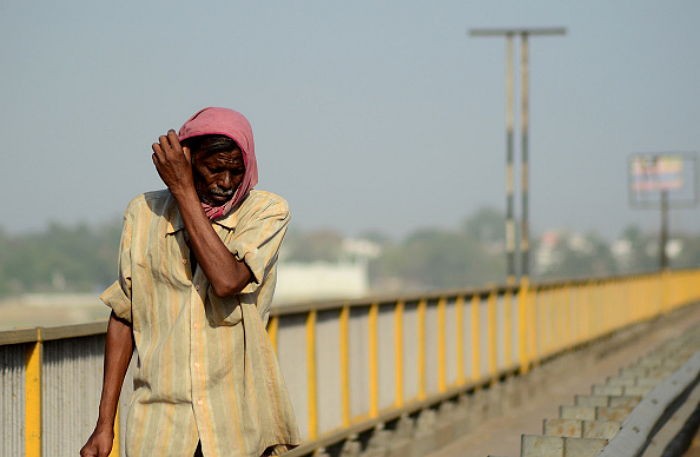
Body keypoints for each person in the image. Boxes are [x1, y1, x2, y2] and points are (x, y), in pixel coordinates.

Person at [80, 107, 300, 457]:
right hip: (160, 423)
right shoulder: (144, 213)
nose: (226, 183)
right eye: (214, 169)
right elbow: (125, 315)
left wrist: (183, 190)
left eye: (236, 171)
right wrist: (103, 425)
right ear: (187, 159)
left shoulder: (265, 212)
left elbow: (227, 280)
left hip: (236, 424)